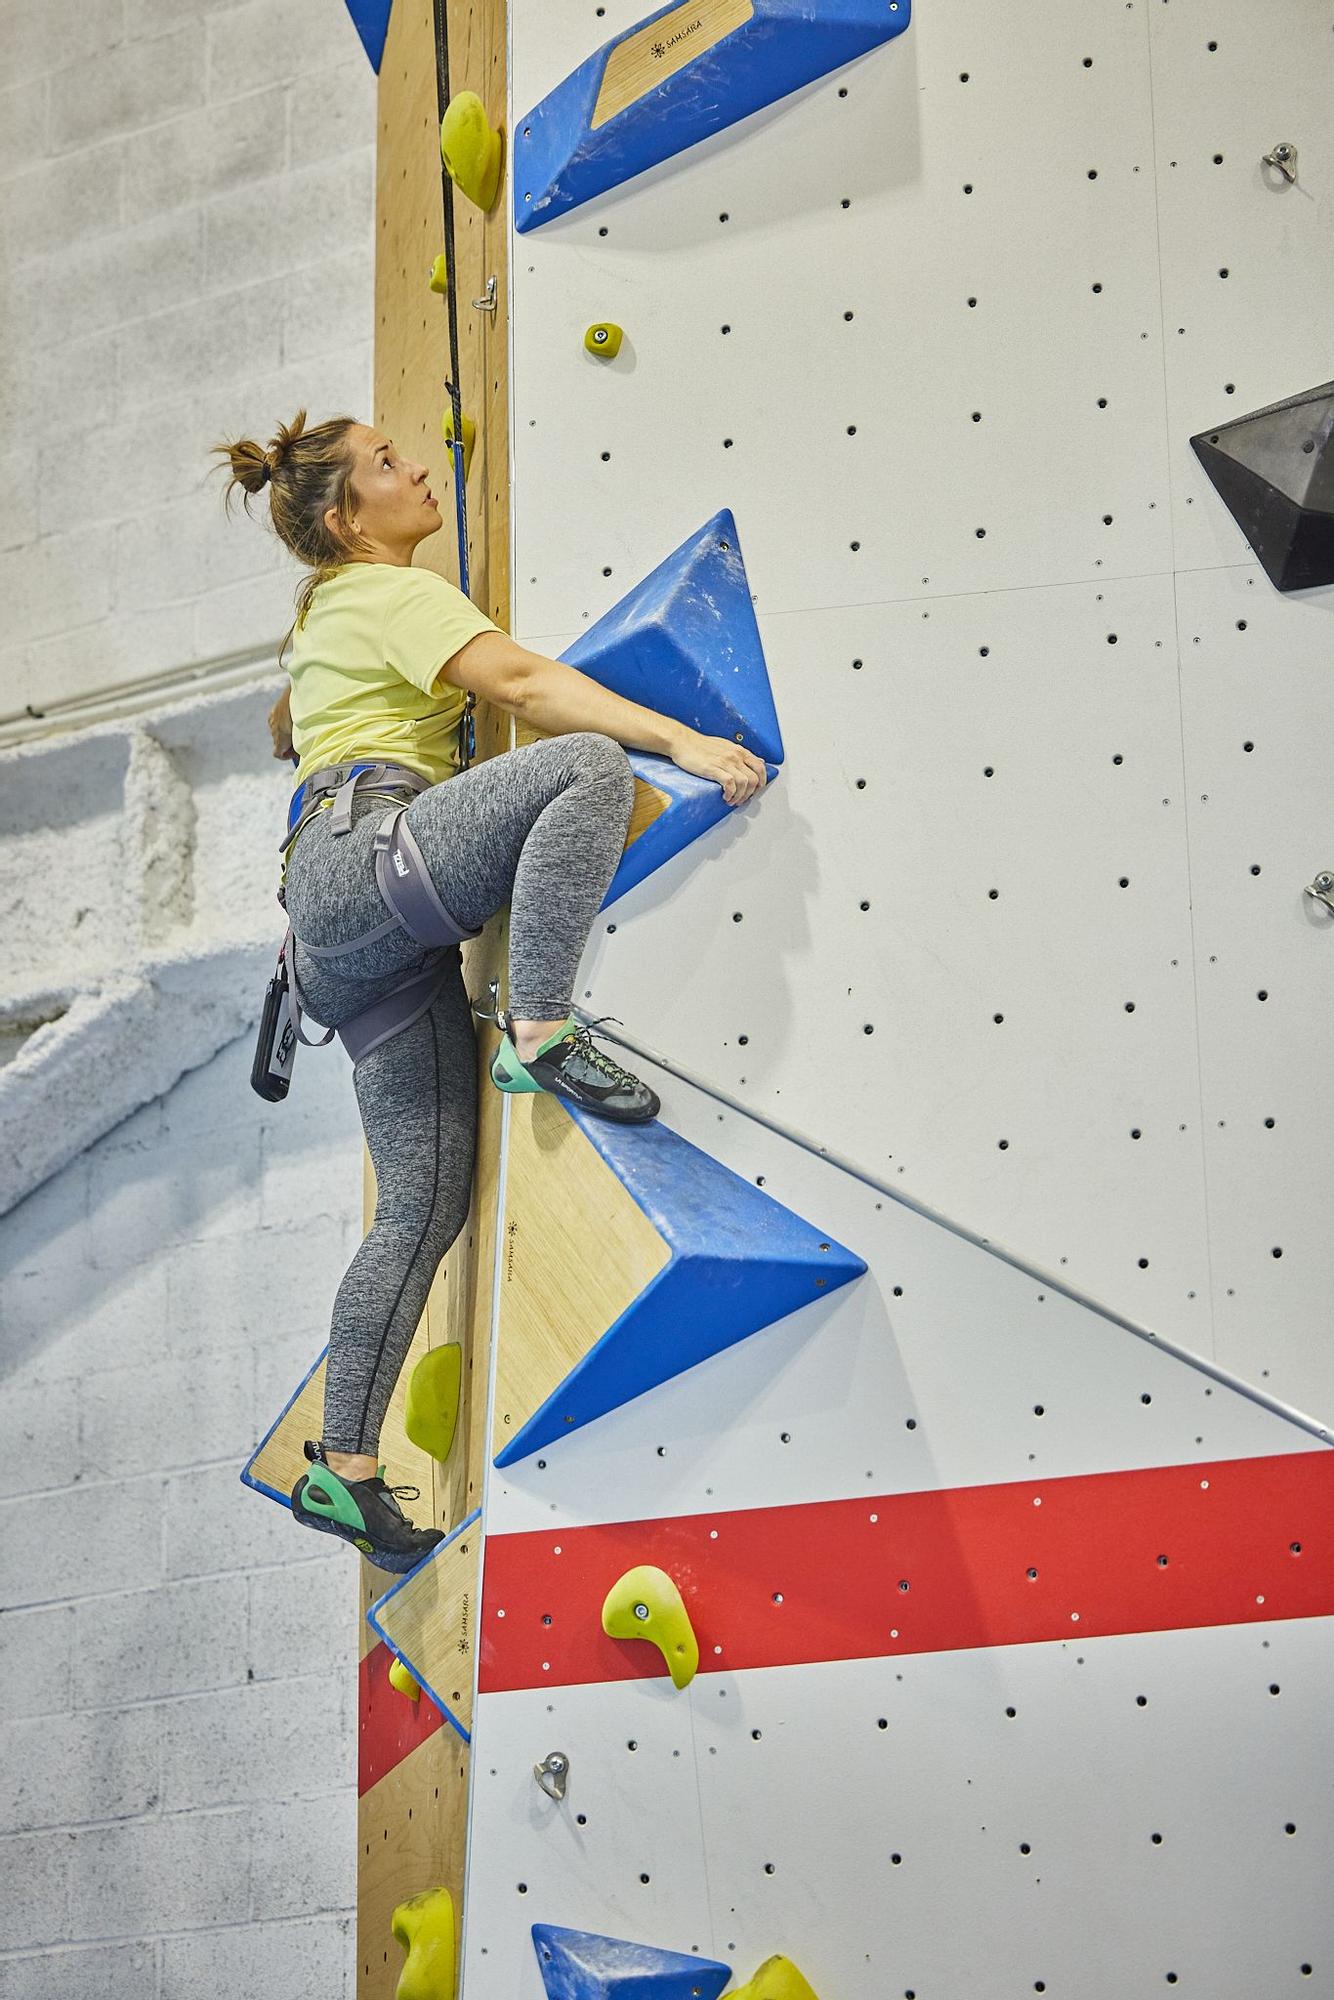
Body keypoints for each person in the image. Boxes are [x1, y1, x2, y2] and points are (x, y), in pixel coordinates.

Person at [211, 409, 767, 1571]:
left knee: (421, 1206)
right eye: (384, 464)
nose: (414, 468)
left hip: (343, 938)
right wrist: (687, 742)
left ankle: (345, 1468)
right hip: (372, 867)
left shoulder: (327, 612)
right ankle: (544, 1023)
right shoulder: (378, 593)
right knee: (584, 768)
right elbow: (523, 683)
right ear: (341, 518)